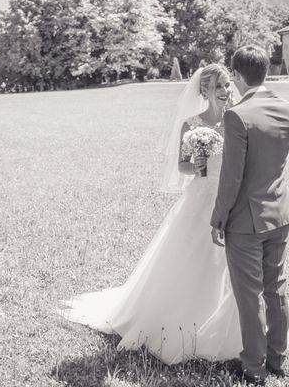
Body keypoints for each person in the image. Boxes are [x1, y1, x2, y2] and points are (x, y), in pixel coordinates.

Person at [60, 64, 252, 364]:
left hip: (232, 198)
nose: (227, 91)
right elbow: (183, 167)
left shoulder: (236, 119)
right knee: (194, 255)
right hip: (201, 199)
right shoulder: (192, 124)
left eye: (228, 85)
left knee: (232, 261)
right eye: (219, 86)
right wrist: (199, 162)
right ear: (204, 91)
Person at [211, 46, 289, 386]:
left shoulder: (237, 115)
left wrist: (218, 218)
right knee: (275, 289)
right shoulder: (287, 108)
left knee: (250, 296)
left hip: (245, 222)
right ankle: (278, 359)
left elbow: (232, 177)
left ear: (237, 75)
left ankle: (254, 368)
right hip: (279, 213)